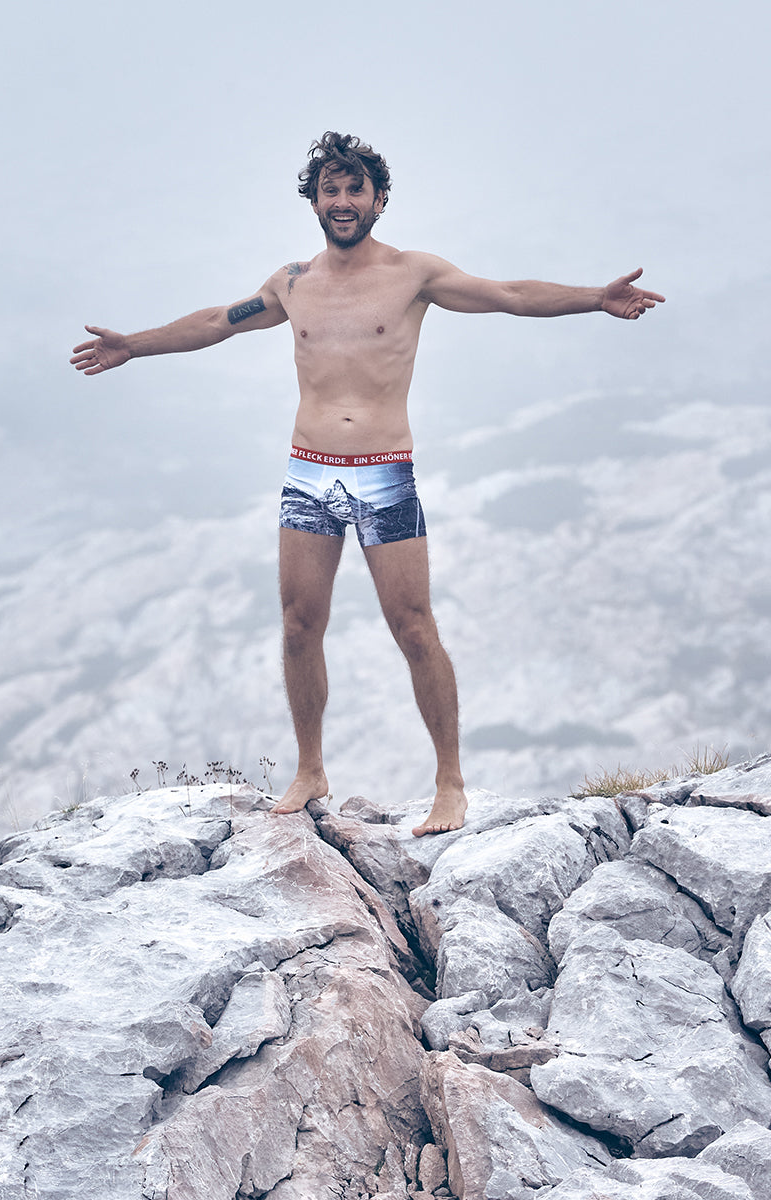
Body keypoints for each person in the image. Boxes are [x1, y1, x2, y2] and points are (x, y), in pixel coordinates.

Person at [70, 131, 664, 836]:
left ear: (379, 199)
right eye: (331, 188)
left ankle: (449, 783)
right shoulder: (292, 283)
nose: (343, 201)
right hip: (308, 471)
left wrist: (596, 297)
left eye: (356, 189)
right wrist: (133, 344)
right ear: (315, 201)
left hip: (384, 473)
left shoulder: (414, 274)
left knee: (413, 626)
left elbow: (506, 293)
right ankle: (310, 769)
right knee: (298, 625)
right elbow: (215, 323)